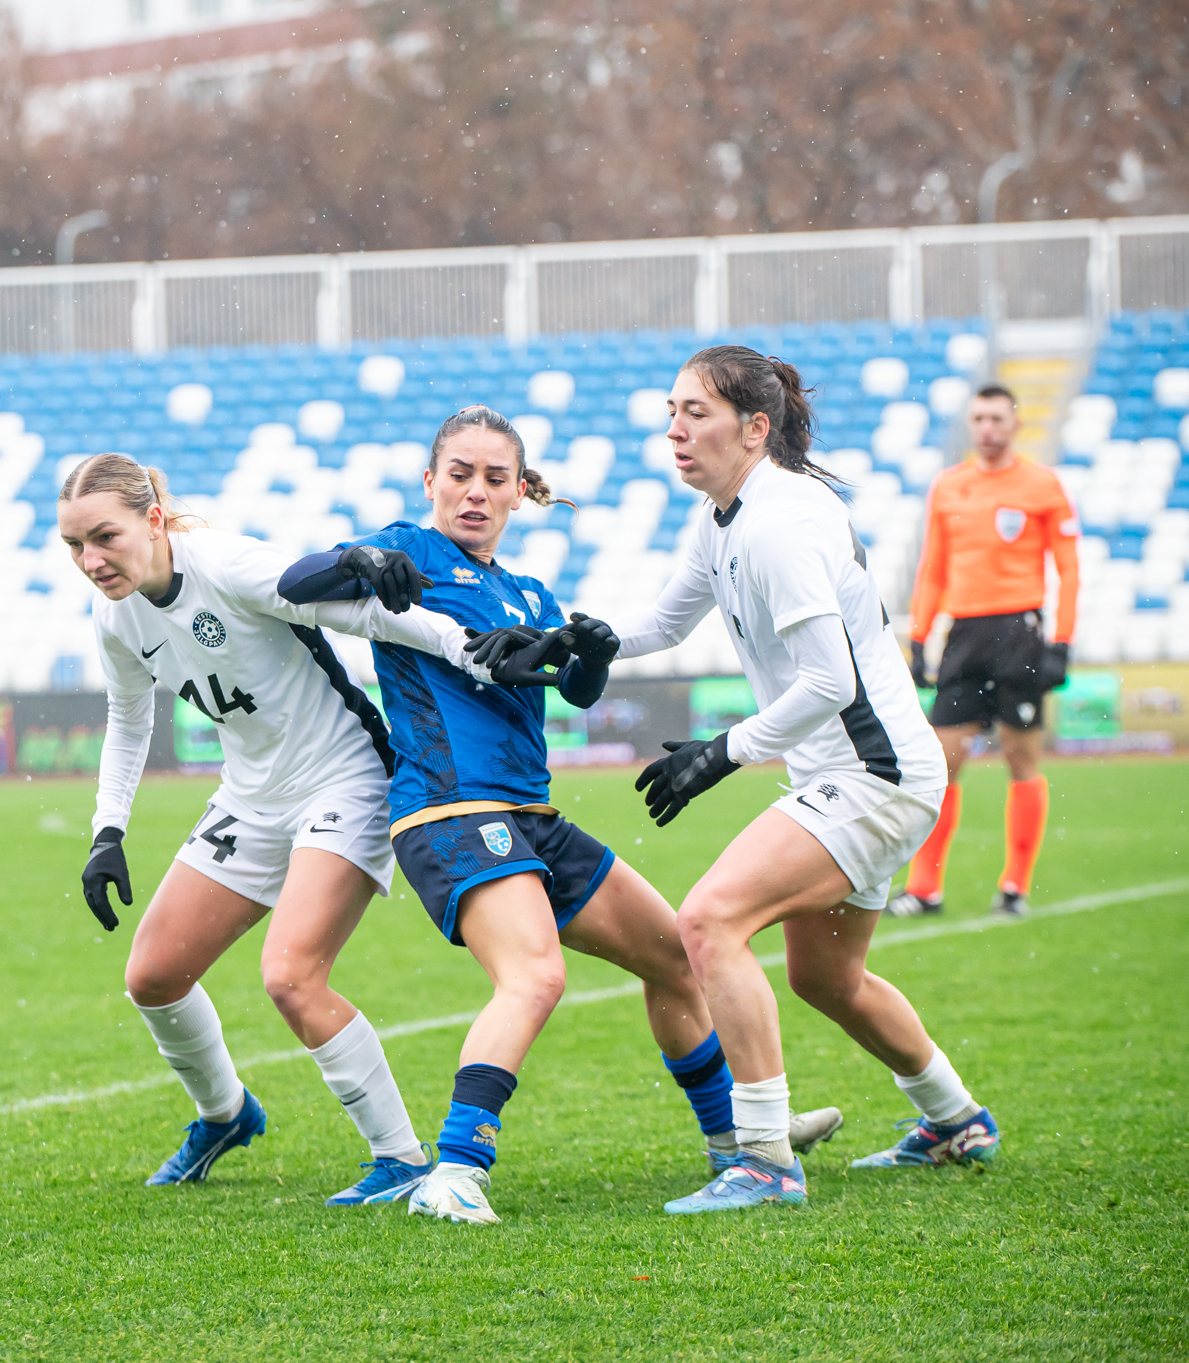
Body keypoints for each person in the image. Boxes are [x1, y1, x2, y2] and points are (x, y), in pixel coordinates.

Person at [276, 406, 839, 1225]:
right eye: (459, 474)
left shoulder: (528, 589)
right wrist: (355, 559)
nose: (474, 492)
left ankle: (738, 1149)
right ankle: (457, 1169)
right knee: (535, 975)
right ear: (430, 481)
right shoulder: (407, 551)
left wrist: (591, 655)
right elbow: (296, 586)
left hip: (531, 814)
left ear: (517, 492)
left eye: (493, 479)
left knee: (676, 957)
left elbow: (568, 686)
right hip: (449, 812)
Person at [62, 453, 511, 1205]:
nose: (90, 559)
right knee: (152, 977)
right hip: (251, 794)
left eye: (104, 536)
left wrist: (471, 650)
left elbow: (362, 609)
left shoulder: (226, 564)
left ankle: (400, 1158)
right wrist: (108, 831)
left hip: (346, 777)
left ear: (152, 518)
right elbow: (128, 718)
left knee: (292, 974)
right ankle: (226, 1114)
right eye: (74, 544)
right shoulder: (115, 615)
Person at [614, 346, 1000, 1214]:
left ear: (756, 428)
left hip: (874, 776)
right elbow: (666, 623)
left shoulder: (781, 519)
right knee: (827, 979)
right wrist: (575, 639)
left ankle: (763, 1159)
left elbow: (829, 681)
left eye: (696, 413)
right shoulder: (725, 512)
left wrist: (721, 753)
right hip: (863, 775)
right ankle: (957, 1119)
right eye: (671, 410)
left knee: (709, 921)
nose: (675, 430)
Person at [892, 384, 1080, 919]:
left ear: (1014, 424)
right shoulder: (949, 487)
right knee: (941, 761)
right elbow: (934, 565)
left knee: (1022, 760)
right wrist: (922, 636)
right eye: (978, 418)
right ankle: (925, 888)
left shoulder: (1042, 486)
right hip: (965, 636)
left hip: (1020, 632)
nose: (986, 428)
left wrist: (1061, 642)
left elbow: (1069, 569)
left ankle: (1014, 887)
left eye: (996, 418)